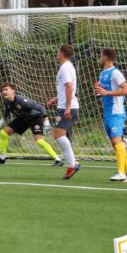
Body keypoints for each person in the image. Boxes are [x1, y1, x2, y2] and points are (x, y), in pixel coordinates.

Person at [0, 83, 61, 166]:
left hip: (35, 118)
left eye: (6, 89)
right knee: (3, 133)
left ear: (13, 91)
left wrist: (47, 124)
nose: (4, 91)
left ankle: (57, 159)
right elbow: (5, 115)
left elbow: (41, 108)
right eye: (2, 90)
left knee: (39, 140)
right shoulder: (6, 102)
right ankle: (2, 157)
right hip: (23, 119)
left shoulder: (21, 100)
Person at [94, 48, 127, 182]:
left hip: (116, 112)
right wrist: (100, 91)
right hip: (107, 112)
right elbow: (104, 91)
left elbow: (126, 91)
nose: (99, 58)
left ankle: (121, 172)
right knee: (115, 144)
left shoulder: (116, 73)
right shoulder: (102, 74)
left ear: (106, 57)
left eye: (101, 55)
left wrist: (106, 93)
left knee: (117, 142)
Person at [47, 44, 81, 180]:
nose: (56, 53)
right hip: (67, 105)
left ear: (61, 53)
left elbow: (69, 86)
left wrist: (67, 107)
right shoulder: (68, 66)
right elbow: (67, 88)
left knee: (59, 135)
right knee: (59, 135)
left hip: (69, 107)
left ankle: (72, 164)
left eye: (57, 51)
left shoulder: (65, 67)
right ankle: (73, 162)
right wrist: (56, 99)